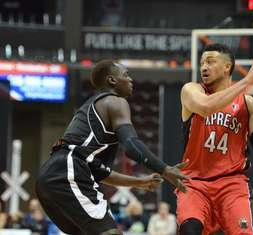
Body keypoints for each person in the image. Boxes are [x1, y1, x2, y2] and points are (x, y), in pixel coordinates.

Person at [36, 59, 189, 235]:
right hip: (69, 172)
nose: (131, 80)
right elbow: (131, 145)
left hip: (50, 177)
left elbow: (101, 173)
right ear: (112, 81)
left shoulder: (90, 113)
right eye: (126, 75)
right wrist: (165, 169)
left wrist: (140, 182)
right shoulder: (115, 102)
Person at [177, 43, 253, 235]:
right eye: (201, 63)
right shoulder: (191, 91)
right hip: (195, 183)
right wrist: (248, 80)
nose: (203, 67)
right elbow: (207, 107)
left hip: (231, 184)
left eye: (210, 61)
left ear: (227, 67)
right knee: (190, 231)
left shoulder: (247, 103)